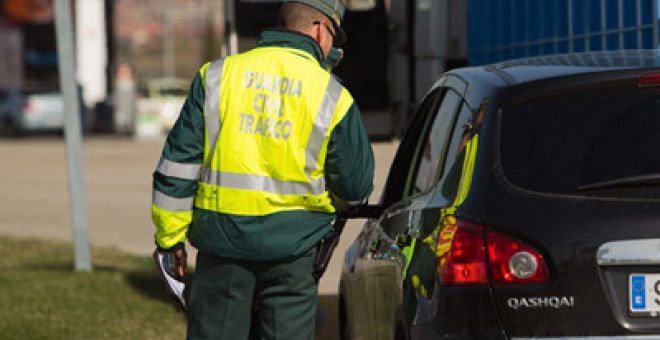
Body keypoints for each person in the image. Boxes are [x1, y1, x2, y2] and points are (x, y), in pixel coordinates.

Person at [150, 0, 374, 338]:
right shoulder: (332, 95)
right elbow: (355, 187)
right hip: (294, 253)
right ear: (318, 28)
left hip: (222, 248)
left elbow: (177, 168)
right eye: (333, 36)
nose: (333, 46)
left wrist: (170, 241)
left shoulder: (216, 76)